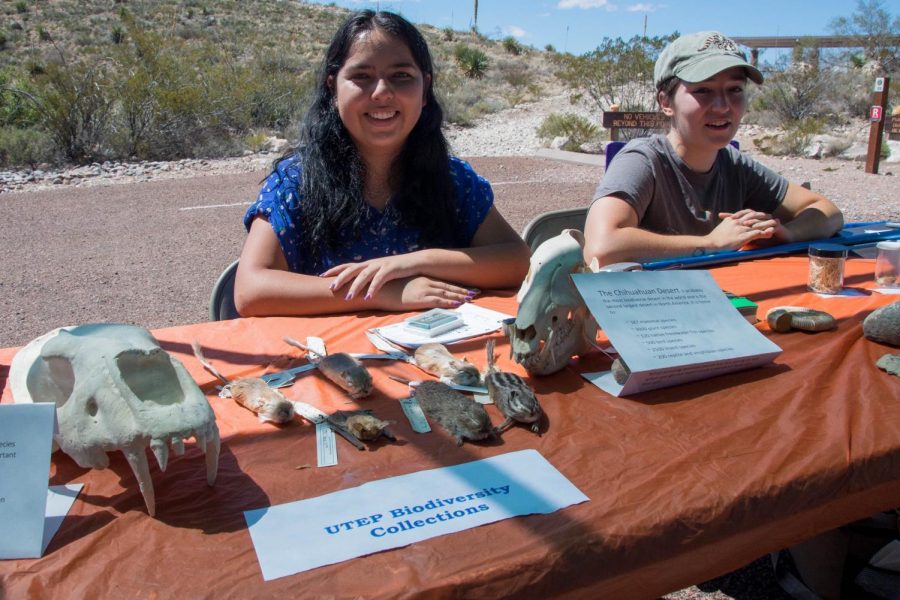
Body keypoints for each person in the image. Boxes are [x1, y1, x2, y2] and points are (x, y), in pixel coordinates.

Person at [235, 10, 530, 317]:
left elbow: (517, 261)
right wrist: (385, 291)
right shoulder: (296, 182)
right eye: (361, 77)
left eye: (401, 76)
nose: (382, 93)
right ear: (332, 89)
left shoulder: (453, 179)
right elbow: (250, 290)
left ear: (425, 89)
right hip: (331, 359)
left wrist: (414, 263)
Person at [583, 31, 844, 266]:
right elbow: (601, 247)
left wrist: (788, 233)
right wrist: (711, 244)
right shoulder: (643, 160)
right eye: (703, 91)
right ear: (665, 101)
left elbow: (828, 212)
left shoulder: (733, 164)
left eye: (735, 90)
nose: (722, 106)